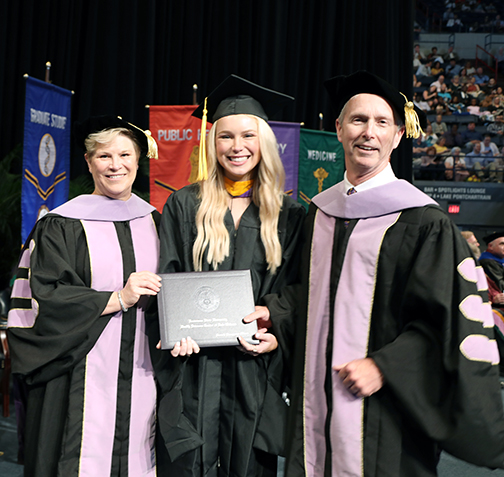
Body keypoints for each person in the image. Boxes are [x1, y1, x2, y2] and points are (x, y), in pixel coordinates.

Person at [282, 71, 504, 476]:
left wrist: (385, 365)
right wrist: (271, 317)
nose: (369, 132)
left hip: (388, 413)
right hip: (316, 403)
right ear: (338, 129)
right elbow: (305, 295)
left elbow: (445, 320)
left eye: (382, 123)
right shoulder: (320, 213)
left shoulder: (424, 222)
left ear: (399, 135)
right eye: (358, 120)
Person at [150, 75, 305, 476]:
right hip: (194, 367)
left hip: (252, 366)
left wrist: (274, 326)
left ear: (265, 142)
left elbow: (297, 289)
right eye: (226, 136)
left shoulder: (289, 215)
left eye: (248, 136)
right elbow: (166, 276)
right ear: (211, 142)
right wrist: (172, 328)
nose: (237, 147)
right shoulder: (185, 205)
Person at [7, 116, 162, 476]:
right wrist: (119, 298)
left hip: (144, 369)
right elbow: (47, 297)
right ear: (88, 161)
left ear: (138, 161)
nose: (115, 165)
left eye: (125, 154)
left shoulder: (156, 220)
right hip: (77, 370)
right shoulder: (62, 224)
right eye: (104, 156)